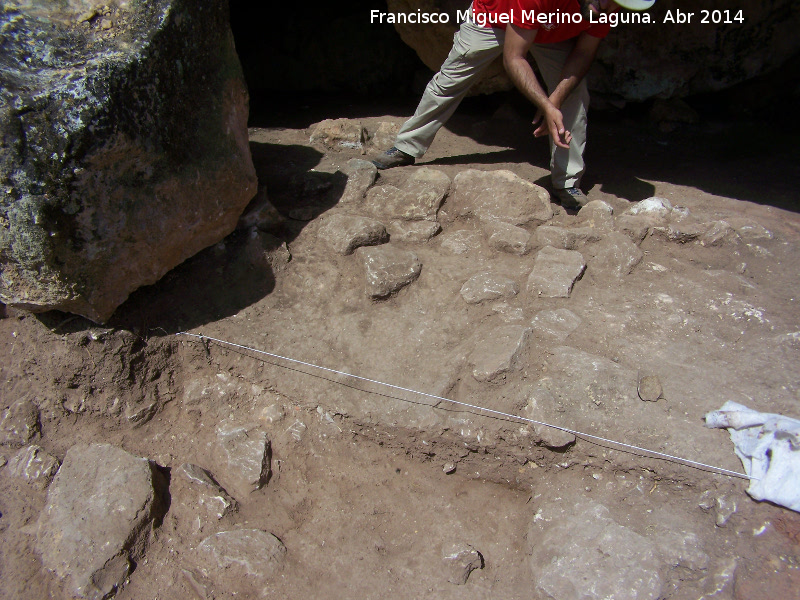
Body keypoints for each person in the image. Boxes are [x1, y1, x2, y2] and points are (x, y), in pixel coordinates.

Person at [373, 0, 655, 209]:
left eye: (618, 5)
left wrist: (553, 101)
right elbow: (514, 57)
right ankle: (406, 146)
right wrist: (544, 105)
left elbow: (583, 52)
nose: (610, 9)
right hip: (495, 16)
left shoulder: (608, 6)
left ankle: (567, 183)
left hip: (550, 29)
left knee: (575, 95)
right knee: (449, 81)